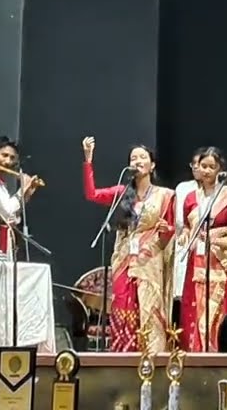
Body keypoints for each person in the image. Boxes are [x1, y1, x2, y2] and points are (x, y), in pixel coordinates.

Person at [81, 136, 176, 353]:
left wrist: (165, 230)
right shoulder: (122, 193)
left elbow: (172, 231)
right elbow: (92, 194)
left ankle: (151, 353)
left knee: (148, 305)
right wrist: (88, 159)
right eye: (133, 158)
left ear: (152, 165)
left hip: (149, 260)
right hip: (124, 258)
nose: (138, 161)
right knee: (123, 304)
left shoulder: (165, 195)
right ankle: (123, 353)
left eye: (143, 157)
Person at [177, 147, 227, 352]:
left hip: (220, 260)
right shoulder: (190, 197)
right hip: (196, 260)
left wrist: (216, 237)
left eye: (211, 167)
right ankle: (196, 351)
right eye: (202, 166)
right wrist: (185, 234)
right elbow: (187, 226)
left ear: (220, 169)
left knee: (216, 309)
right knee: (195, 306)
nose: (206, 171)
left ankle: (216, 351)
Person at [172, 151, 201, 322]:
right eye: (194, 164)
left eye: (201, 164)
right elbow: (178, 218)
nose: (197, 167)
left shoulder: (222, 191)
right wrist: (183, 232)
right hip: (184, 241)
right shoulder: (183, 188)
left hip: (209, 245)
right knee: (180, 291)